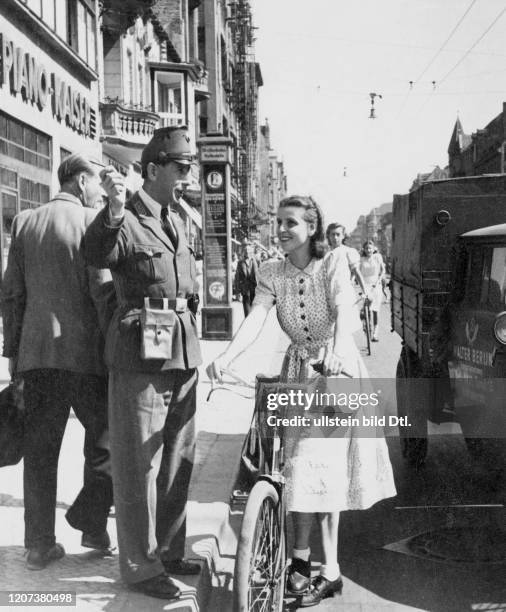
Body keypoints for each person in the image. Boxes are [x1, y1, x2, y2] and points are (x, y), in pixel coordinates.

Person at [207, 196, 396, 607]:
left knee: (320, 466)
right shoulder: (271, 271)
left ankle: (314, 566)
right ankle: (314, 566)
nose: (282, 229)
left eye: (291, 223)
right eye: (279, 222)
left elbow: (345, 311)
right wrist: (225, 356)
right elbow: (256, 318)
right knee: (300, 467)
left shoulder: (330, 266)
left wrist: (338, 350)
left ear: (311, 228)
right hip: (297, 372)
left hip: (335, 373)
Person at [84, 126, 201, 601]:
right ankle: (140, 566)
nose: (187, 176)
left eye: (190, 167)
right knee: (138, 464)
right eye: (180, 168)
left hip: (183, 348)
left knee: (178, 457)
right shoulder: (124, 218)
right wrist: (112, 208)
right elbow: (96, 254)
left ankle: (170, 549)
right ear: (153, 170)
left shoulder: (179, 218)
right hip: (140, 352)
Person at [1, 154, 116, 571]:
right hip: (87, 356)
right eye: (96, 184)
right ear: (82, 181)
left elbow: (11, 295)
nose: (99, 191)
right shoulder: (92, 222)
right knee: (108, 441)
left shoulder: (25, 222)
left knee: (40, 450)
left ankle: (38, 544)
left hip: (37, 357)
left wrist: (13, 353)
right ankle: (90, 521)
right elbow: (102, 291)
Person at [359, 240, 385, 341]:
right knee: (367, 308)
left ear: (374, 249)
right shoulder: (361, 259)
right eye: (366, 248)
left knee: (375, 310)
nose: (368, 250)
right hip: (365, 286)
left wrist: (379, 280)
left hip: (376, 285)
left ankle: (375, 333)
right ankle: (366, 325)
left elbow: (383, 270)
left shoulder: (378, 257)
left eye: (370, 248)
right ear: (364, 250)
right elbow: (357, 273)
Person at [234, 242, 259, 317]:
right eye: (246, 251)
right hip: (245, 290)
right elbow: (237, 277)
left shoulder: (256, 261)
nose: (247, 252)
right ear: (243, 252)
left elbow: (260, 275)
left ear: (251, 252)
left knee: (255, 312)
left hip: (255, 289)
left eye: (249, 251)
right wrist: (237, 292)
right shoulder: (240, 263)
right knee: (247, 313)